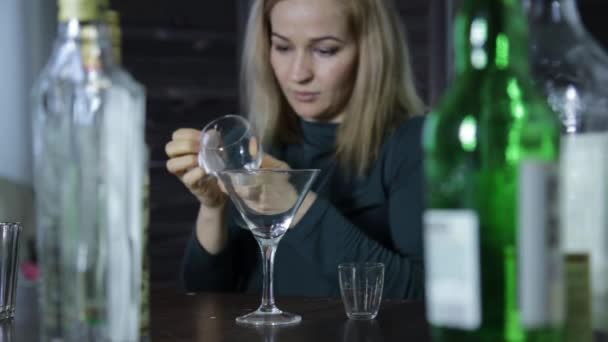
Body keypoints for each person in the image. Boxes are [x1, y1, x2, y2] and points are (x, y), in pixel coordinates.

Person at [165, 0, 426, 299]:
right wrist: (213, 208)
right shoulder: (248, 145)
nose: (298, 74)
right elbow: (203, 298)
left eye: (324, 50)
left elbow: (422, 296)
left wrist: (295, 204)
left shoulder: (414, 143)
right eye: (283, 47)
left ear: (371, 52)